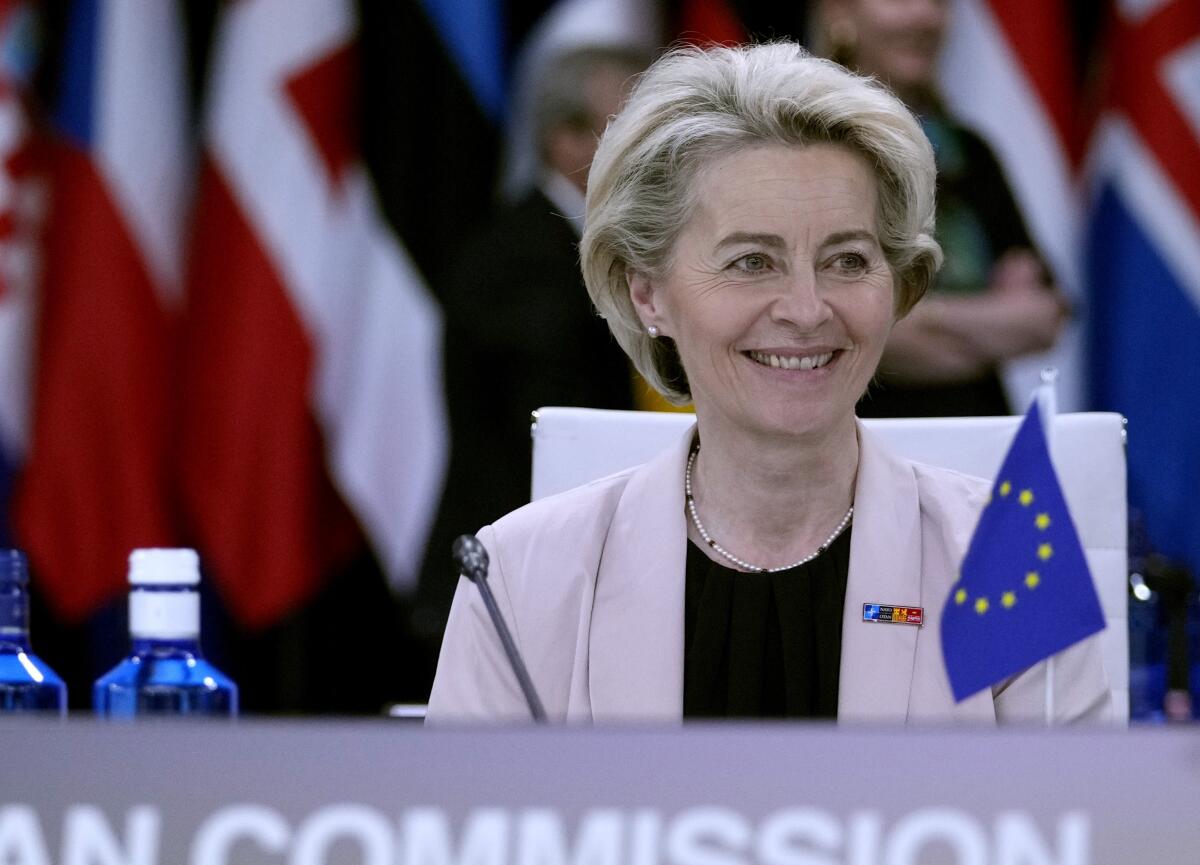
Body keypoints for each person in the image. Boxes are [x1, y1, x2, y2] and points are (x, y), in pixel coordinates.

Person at [427, 43, 1110, 723]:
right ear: (647, 294)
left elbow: (1083, 829)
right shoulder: (517, 577)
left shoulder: (1011, 560)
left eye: (847, 259)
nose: (808, 309)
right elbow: (466, 830)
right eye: (752, 261)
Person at [416, 46, 648, 640]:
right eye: (636, 130)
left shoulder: (576, 248)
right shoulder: (523, 262)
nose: (659, 153)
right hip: (503, 590)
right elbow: (563, 429)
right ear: (566, 140)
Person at [816, 0, 1069, 418]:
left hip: (980, 439)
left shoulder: (970, 152)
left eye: (939, 3)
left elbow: (1043, 317)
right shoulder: (811, 146)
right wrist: (991, 324)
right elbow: (823, 318)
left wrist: (914, 321)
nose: (925, 18)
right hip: (859, 438)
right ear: (838, 12)